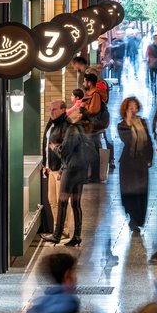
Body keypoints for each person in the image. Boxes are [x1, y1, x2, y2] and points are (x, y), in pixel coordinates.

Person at [41, 104, 97, 247]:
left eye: (75, 110)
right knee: (76, 204)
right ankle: (76, 236)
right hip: (81, 170)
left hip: (70, 170)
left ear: (79, 115)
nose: (71, 111)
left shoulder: (72, 129)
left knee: (62, 202)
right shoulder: (84, 128)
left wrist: (54, 147)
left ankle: (57, 235)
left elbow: (64, 151)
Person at [117, 96, 153, 231]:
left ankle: (139, 218)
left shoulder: (142, 122)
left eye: (134, 107)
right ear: (125, 110)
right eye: (130, 107)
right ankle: (132, 218)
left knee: (141, 192)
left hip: (141, 162)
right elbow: (128, 140)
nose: (133, 110)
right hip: (127, 164)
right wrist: (130, 123)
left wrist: (150, 157)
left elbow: (148, 140)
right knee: (129, 192)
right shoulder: (121, 125)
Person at [41, 99, 69, 235]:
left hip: (60, 170)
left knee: (62, 202)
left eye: (54, 109)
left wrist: (63, 170)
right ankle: (57, 229)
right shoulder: (50, 123)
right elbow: (46, 144)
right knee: (52, 200)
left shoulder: (66, 125)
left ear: (63, 110)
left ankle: (64, 230)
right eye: (50, 109)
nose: (51, 112)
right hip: (50, 168)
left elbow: (67, 150)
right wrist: (45, 164)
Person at [82, 68, 112, 179]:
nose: (83, 83)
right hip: (94, 126)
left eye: (84, 81)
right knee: (94, 148)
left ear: (89, 83)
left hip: (94, 126)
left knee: (92, 150)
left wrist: (84, 107)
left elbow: (93, 110)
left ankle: (93, 175)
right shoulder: (93, 93)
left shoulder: (95, 94)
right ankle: (94, 174)